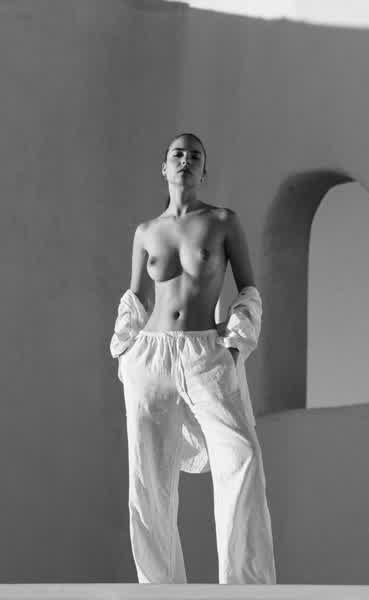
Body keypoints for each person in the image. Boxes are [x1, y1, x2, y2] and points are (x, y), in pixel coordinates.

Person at [109, 132, 277, 584]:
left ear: (204, 171)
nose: (185, 160)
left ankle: (244, 587)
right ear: (164, 168)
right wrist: (126, 350)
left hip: (206, 354)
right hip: (150, 357)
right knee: (148, 476)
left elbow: (248, 289)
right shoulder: (146, 232)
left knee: (241, 456)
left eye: (195, 156)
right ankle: (159, 590)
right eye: (177, 154)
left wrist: (236, 344)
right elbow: (136, 298)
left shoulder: (223, 222)